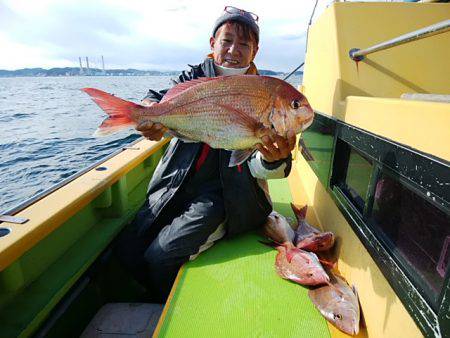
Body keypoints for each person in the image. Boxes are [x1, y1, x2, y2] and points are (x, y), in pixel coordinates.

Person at [115, 6, 296, 303]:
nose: (233, 50)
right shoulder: (191, 78)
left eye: (244, 44)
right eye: (226, 41)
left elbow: (265, 168)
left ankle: (169, 311)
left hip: (228, 196)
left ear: (256, 51)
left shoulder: (268, 95)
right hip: (177, 182)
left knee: (160, 257)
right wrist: (145, 114)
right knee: (126, 250)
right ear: (212, 44)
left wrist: (273, 159)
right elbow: (159, 99)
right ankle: (152, 295)